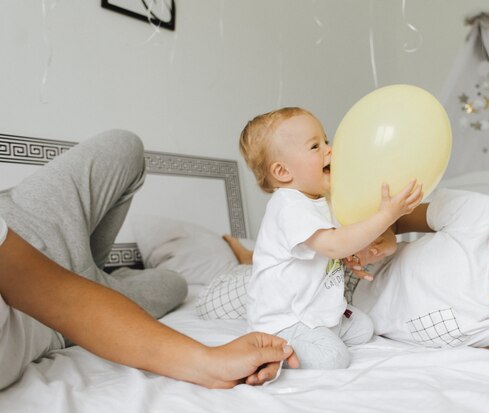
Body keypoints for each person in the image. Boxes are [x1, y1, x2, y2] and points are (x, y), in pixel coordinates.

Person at [222, 157, 489, 411]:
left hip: (340, 318)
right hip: (325, 276)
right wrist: (382, 235)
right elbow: (396, 218)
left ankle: (250, 257)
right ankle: (245, 256)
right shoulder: (478, 214)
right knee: (228, 291)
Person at [0, 130, 297, 391]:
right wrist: (209, 362)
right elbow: (64, 303)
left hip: (25, 227)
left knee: (124, 146)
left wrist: (210, 362)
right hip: (56, 317)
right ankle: (103, 274)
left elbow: (61, 296)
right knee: (176, 284)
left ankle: (95, 266)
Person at [238, 107, 422, 369]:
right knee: (334, 359)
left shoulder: (324, 203)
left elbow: (351, 240)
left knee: (364, 329)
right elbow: (335, 244)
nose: (330, 149)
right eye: (315, 146)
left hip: (316, 310)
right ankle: (275, 346)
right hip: (284, 320)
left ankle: (324, 328)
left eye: (326, 140)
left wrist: (370, 248)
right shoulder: (288, 205)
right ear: (282, 172)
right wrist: (386, 214)